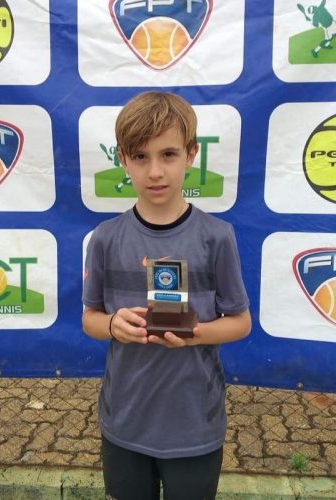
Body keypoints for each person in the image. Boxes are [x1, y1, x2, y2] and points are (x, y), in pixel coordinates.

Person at [82, 91, 251, 500]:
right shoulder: (105, 238)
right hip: (124, 422)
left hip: (194, 425)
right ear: (123, 159)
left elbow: (240, 323)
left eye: (168, 155)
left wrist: (193, 333)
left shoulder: (216, 237)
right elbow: (90, 319)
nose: (155, 171)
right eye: (140, 157)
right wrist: (112, 324)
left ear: (191, 154)